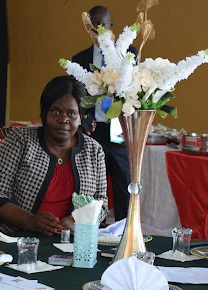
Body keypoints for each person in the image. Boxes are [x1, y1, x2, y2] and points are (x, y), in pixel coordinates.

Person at [0, 75, 107, 235]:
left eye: (71, 114)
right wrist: (30, 221)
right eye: (56, 111)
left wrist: (75, 220)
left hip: (71, 242)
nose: (63, 119)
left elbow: (101, 204)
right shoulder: (20, 140)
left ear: (81, 116)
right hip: (13, 237)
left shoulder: (94, 151)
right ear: (44, 113)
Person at [72, 5, 135, 221]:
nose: (97, 31)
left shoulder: (129, 54)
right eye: (92, 26)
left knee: (123, 189)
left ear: (111, 26)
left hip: (120, 132)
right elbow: (77, 97)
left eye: (102, 25)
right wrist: (85, 118)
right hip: (93, 131)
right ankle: (92, 233)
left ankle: (124, 234)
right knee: (92, 189)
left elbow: (135, 91)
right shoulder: (79, 59)